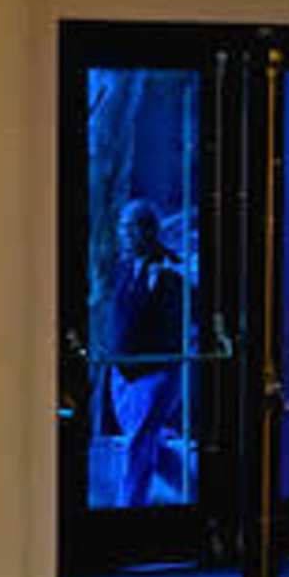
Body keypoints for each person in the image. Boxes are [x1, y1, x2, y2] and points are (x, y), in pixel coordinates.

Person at [104, 197, 188, 507]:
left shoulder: (171, 270)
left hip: (155, 371)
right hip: (122, 370)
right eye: (121, 226)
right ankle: (189, 487)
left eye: (129, 227)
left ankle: (128, 513)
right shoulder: (123, 267)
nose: (122, 233)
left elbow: (179, 321)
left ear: (148, 230)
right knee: (146, 441)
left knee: (139, 444)